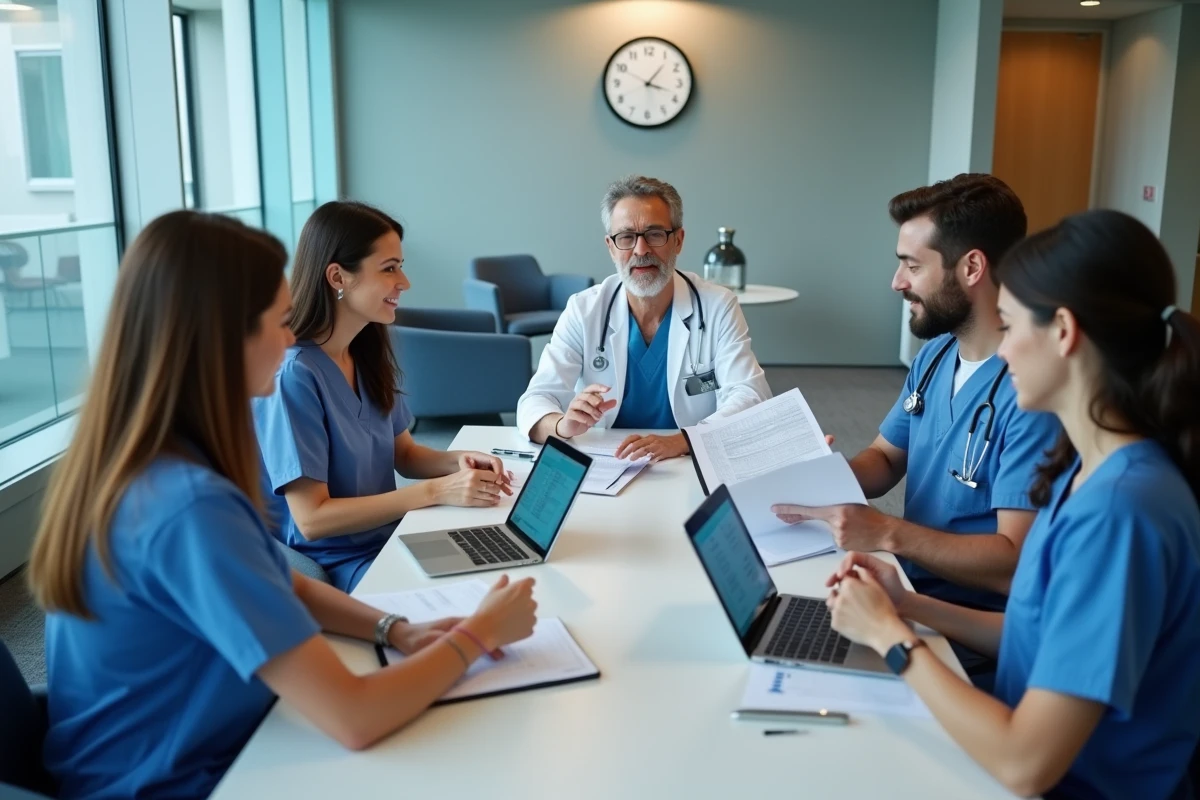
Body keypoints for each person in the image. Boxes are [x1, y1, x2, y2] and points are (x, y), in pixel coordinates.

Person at [27, 211, 538, 800]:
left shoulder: (149, 465)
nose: (291, 337)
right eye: (276, 319)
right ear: (219, 338)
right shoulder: (189, 505)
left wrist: (396, 629)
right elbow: (355, 716)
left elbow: (278, 585)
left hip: (193, 751)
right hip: (181, 781)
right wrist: (476, 636)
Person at [824, 209, 1200, 799]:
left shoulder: (1120, 512)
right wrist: (906, 605)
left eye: (1009, 324)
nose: (1001, 351)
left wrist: (893, 642)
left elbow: (1027, 763)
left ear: (1064, 333)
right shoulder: (1087, 472)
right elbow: (1036, 634)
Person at [772, 174, 1061, 686]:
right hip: (901, 585)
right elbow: (885, 458)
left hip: (968, 635)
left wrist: (885, 531)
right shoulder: (935, 355)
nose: (897, 282)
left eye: (911, 265)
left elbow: (1011, 564)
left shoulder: (1030, 394)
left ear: (972, 267)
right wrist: (819, 469)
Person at [253, 201, 513, 592]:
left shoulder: (364, 351)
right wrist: (437, 491)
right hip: (343, 562)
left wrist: (457, 461)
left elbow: (404, 454)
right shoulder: (294, 376)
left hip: (392, 536)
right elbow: (312, 518)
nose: (404, 282)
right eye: (389, 268)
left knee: (504, 573)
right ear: (338, 276)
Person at [516, 175, 771, 462]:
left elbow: (749, 395)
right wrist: (563, 425)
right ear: (611, 247)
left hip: (690, 459)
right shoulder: (584, 310)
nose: (641, 250)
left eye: (654, 234)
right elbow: (535, 400)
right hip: (609, 462)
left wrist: (684, 441)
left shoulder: (717, 305)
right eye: (626, 237)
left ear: (678, 240)